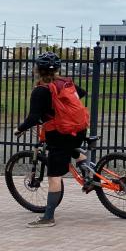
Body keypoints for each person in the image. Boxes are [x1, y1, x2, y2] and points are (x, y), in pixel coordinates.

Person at [15, 51, 94, 227]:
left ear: (37, 70)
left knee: (54, 176)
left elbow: (33, 118)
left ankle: (48, 217)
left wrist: (19, 129)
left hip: (59, 133)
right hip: (78, 129)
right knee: (73, 149)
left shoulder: (40, 90)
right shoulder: (65, 82)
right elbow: (80, 93)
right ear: (57, 68)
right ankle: (88, 176)